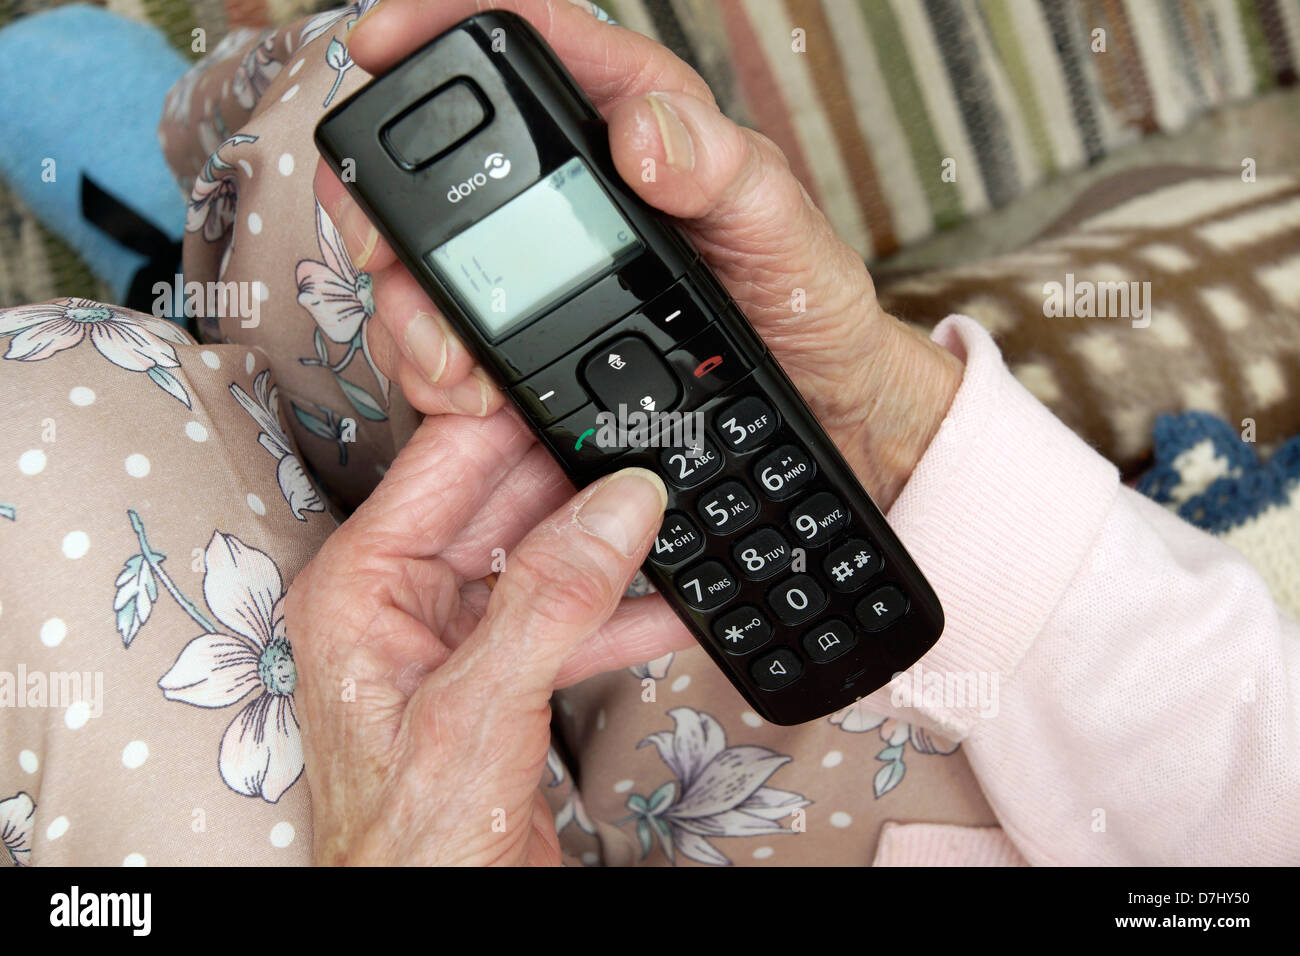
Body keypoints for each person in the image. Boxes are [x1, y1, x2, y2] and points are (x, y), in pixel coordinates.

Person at [287, 0, 1300, 865]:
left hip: (674, 722)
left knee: (301, 134)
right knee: (336, 113)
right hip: (887, 628)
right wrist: (887, 416)